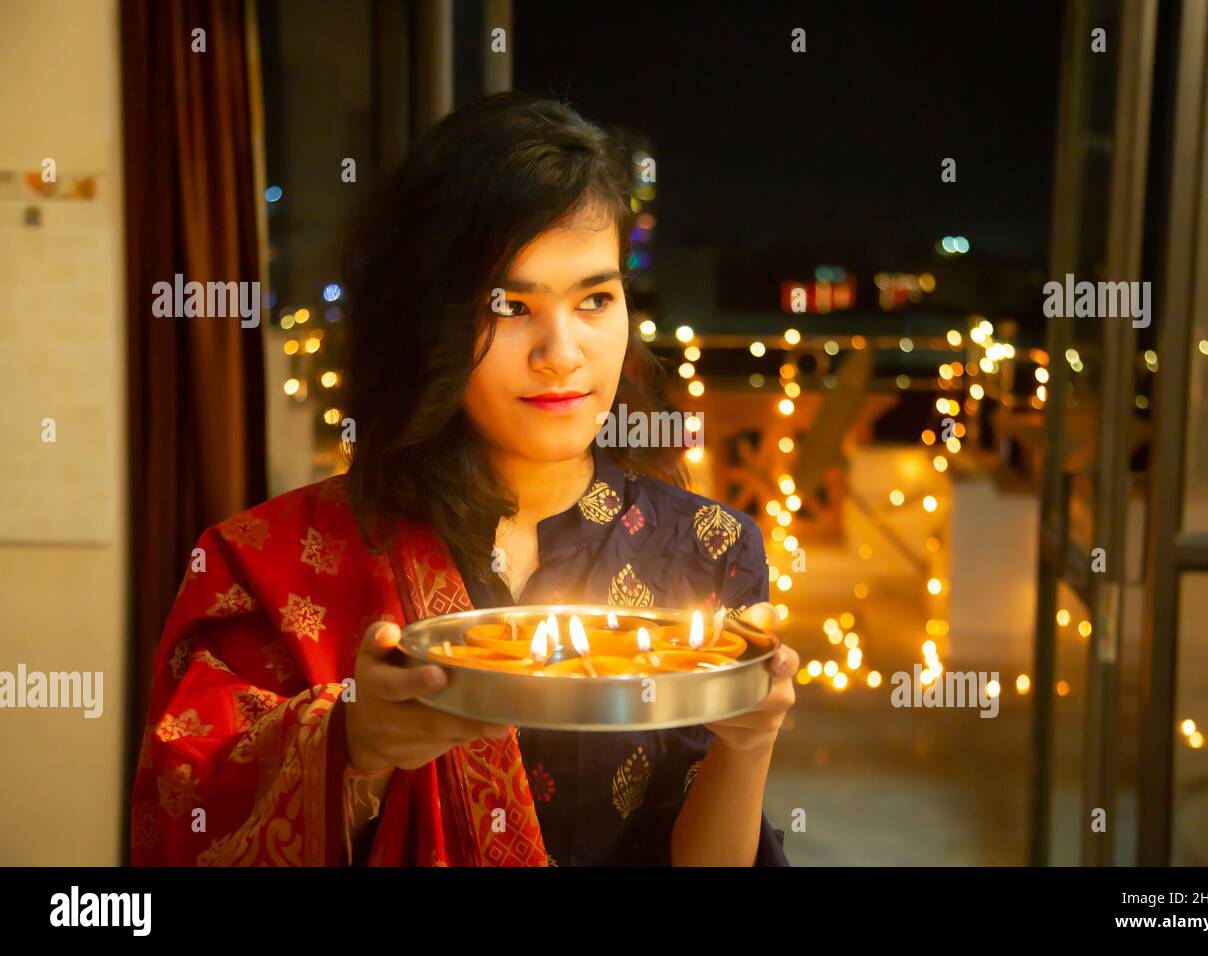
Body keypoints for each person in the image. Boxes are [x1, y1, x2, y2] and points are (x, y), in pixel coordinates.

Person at [130, 91, 798, 866]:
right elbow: (194, 815)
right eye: (510, 303)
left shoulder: (707, 550)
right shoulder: (272, 566)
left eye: (595, 299)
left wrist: (750, 744)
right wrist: (354, 744)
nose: (562, 351)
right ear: (429, 318)